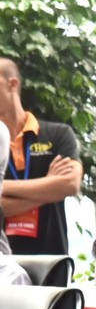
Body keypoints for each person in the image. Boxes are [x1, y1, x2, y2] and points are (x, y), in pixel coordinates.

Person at [0, 56, 81, 257]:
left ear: (13, 84)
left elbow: (70, 184)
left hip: (52, 258)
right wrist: (49, 187)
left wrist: (4, 188)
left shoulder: (58, 134)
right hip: (4, 263)